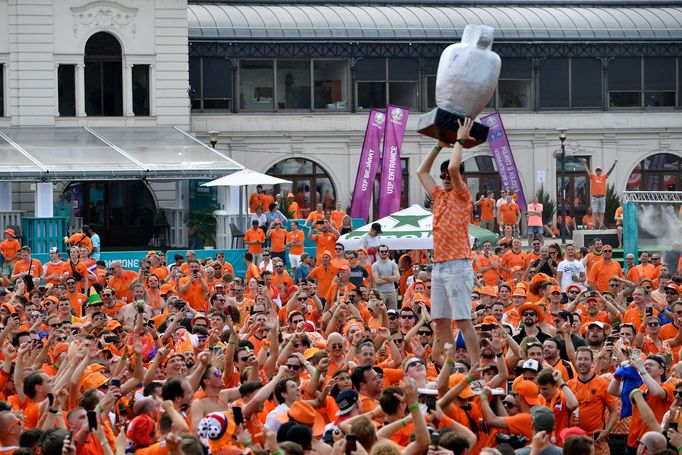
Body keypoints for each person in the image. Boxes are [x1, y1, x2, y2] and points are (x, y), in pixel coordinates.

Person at [416, 117, 479, 365]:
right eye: (441, 175)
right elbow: (421, 171)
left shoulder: (463, 196)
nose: (444, 177)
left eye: (447, 175)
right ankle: (451, 365)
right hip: (440, 265)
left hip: (458, 264)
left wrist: (459, 141)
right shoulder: (439, 196)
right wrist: (439, 145)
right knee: (440, 320)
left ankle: (475, 367)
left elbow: (454, 169)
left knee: (462, 320)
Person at [581, 158, 617, 230]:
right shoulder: (593, 177)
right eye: (597, 170)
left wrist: (614, 164)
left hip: (602, 197)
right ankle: (593, 225)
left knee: (602, 212)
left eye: (599, 170)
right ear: (595, 171)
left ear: (601, 171)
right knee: (594, 212)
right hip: (595, 197)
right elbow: (588, 171)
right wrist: (585, 164)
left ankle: (601, 225)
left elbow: (609, 172)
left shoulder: (603, 177)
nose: (598, 171)